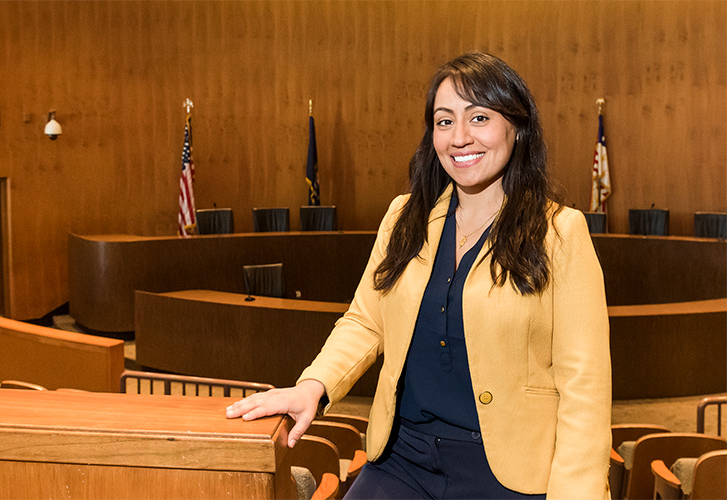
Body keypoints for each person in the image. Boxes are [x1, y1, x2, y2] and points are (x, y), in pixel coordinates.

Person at [226, 51, 611, 499]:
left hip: (509, 474)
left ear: (517, 127)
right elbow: (365, 320)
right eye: (444, 121)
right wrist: (314, 385)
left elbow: (584, 383)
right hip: (403, 459)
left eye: (479, 117)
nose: (460, 138)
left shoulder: (561, 232)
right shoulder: (403, 216)